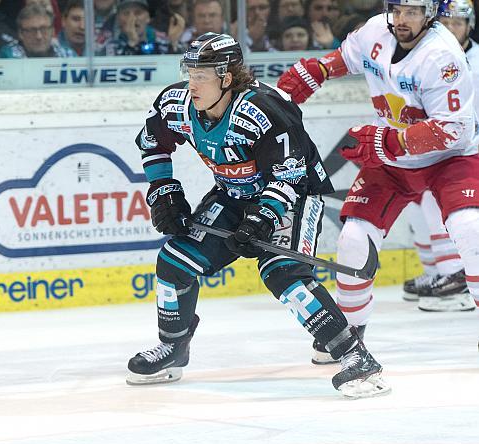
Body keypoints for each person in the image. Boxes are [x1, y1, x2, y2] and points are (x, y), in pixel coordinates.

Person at [126, 32, 390, 398]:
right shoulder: (177, 104)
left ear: (227, 77)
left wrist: (262, 218)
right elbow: (153, 143)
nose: (192, 83)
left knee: (283, 274)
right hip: (233, 195)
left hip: (293, 195)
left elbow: (290, 173)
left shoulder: (264, 109)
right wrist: (164, 192)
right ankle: (174, 348)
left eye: (201, 75)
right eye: (190, 73)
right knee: (174, 263)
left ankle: (355, 356)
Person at [277, 0, 479, 362]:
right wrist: (312, 75)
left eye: (412, 12)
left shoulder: (442, 56)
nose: (401, 20)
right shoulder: (375, 31)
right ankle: (349, 332)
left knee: (470, 228)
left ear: (430, 14)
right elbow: (343, 59)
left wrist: (386, 141)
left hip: (450, 157)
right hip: (393, 157)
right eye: (397, 9)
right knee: (354, 236)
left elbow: (456, 129)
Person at [400, 0, 479, 312]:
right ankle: (437, 272)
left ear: (469, 26)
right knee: (418, 204)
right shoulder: (425, 55)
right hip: (436, 142)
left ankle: (455, 279)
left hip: (466, 146)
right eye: (445, 22)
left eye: (457, 23)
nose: (451, 29)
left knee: (444, 206)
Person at [100, 0, 172, 55]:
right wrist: (132, 43)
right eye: (126, 13)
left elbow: (182, 72)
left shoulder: (164, 43)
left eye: (138, 13)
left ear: (148, 17)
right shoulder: (109, 47)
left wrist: (174, 47)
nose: (132, 18)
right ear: (118, 19)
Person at [1, 3, 72, 57]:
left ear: (53, 31)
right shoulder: (8, 55)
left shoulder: (67, 54)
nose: (39, 36)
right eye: (31, 30)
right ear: (20, 34)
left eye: (44, 29)